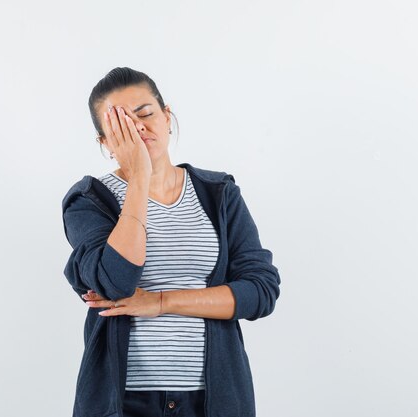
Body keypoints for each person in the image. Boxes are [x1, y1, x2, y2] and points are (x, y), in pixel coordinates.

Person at [61, 67, 281, 417]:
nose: (138, 129)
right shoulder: (89, 199)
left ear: (167, 116)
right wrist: (139, 178)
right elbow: (117, 281)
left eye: (145, 114)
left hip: (215, 400)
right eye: (121, 126)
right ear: (105, 142)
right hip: (123, 401)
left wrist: (161, 301)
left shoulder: (219, 193)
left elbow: (260, 292)